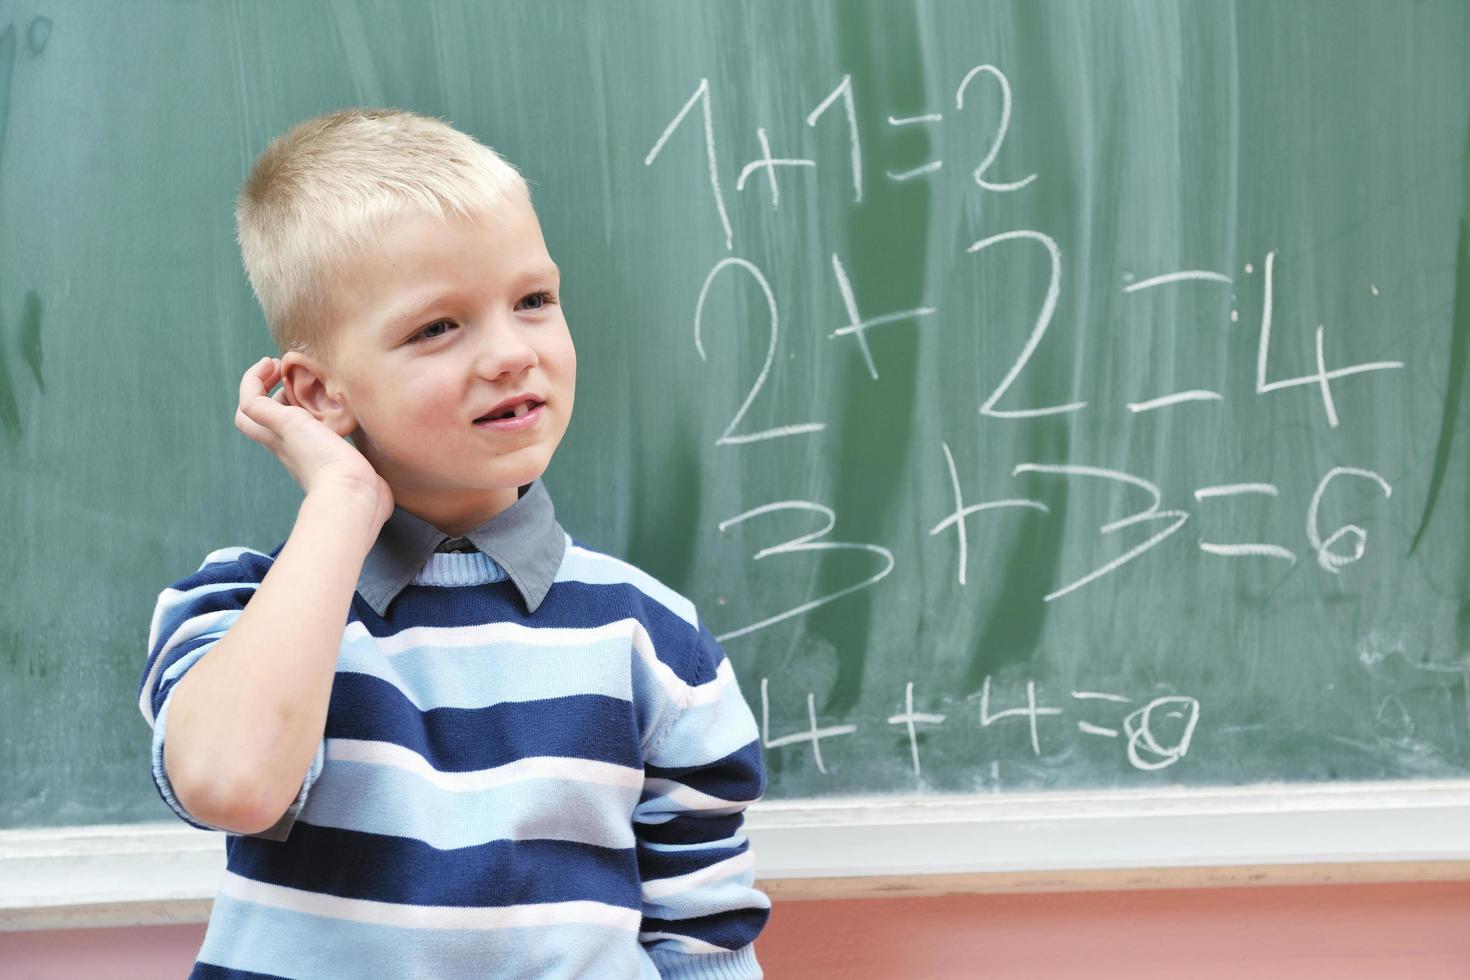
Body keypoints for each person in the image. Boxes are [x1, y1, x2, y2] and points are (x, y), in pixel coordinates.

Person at [136, 107, 770, 978]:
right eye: (438, 327)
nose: (511, 352)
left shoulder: (650, 639)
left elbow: (702, 939)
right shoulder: (243, 610)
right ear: (316, 394)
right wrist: (344, 498)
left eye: (534, 300)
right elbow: (232, 785)